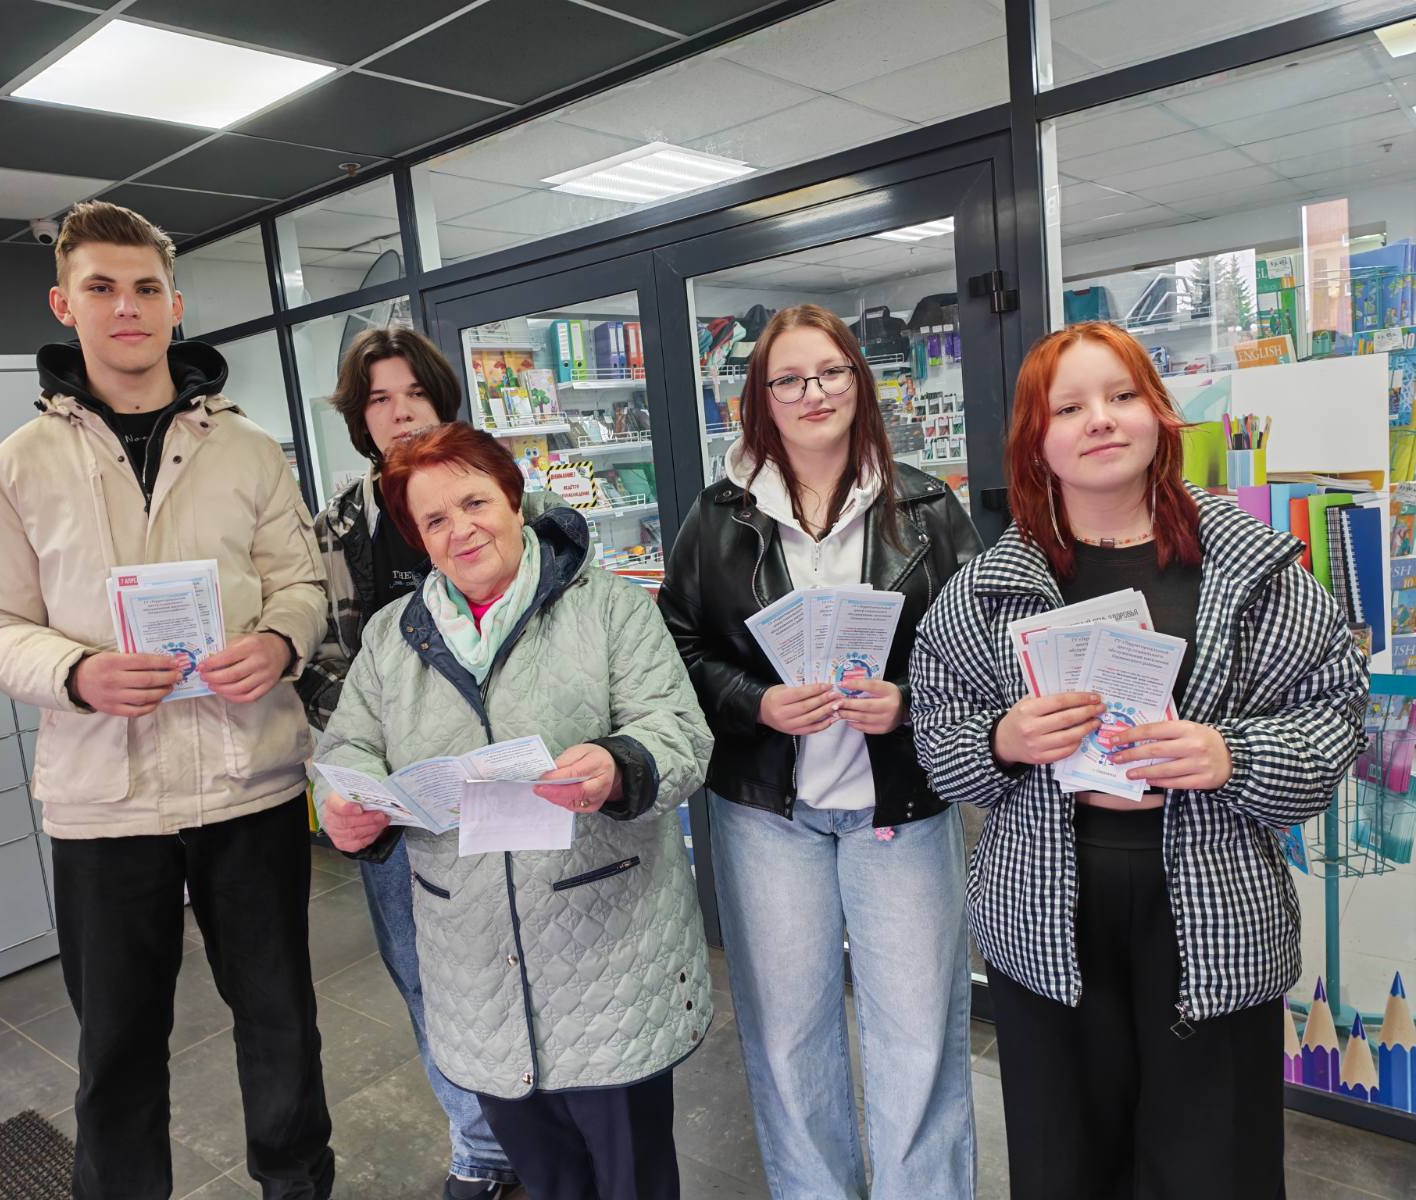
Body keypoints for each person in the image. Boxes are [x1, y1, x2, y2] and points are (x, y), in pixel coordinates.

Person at [909, 321, 1368, 1199]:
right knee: (1064, 1160)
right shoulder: (991, 587)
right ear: (1035, 441)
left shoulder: (1249, 568)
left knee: (1215, 1163)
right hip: (1046, 904)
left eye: (1122, 396)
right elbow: (937, 730)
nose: (1101, 419)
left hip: (1214, 901)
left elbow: (1333, 708)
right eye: (1069, 407)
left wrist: (1232, 753)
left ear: (1158, 413)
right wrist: (1003, 742)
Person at [0, 201, 333, 1200]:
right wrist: (75, 674)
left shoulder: (249, 450)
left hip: (248, 782)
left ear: (175, 304)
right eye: (102, 288)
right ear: (65, 305)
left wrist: (280, 641)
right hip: (103, 803)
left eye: (145, 288)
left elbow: (301, 583)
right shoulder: (20, 465)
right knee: (117, 1048)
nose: (126, 307)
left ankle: (297, 1186)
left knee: (281, 1021)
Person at [313, 423, 713, 1200]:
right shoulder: (393, 638)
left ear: (512, 499)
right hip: (474, 967)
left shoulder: (608, 609)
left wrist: (618, 765)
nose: (460, 529)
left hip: (605, 961)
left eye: (474, 502)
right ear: (417, 538)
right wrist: (351, 801)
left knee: (631, 1177)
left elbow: (678, 732)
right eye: (434, 519)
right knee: (546, 1174)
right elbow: (351, 742)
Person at [658, 303, 982, 1199]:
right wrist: (757, 702)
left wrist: (908, 702)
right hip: (769, 815)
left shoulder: (927, 507)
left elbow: (980, 651)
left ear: (858, 381)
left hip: (899, 810)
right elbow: (676, 647)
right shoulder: (718, 516)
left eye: (831, 372)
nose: (813, 393)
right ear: (762, 398)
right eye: (789, 379)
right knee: (788, 1036)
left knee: (918, 1034)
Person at [297, 327, 549, 1199]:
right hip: (399, 802)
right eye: (378, 399)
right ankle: (480, 1146)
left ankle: (545, 1131)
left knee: (526, 960)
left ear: (443, 399)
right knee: (421, 973)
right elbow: (321, 656)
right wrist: (376, 752)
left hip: (508, 782)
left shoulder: (502, 493)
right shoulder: (340, 522)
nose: (399, 412)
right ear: (358, 417)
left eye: (414, 393)